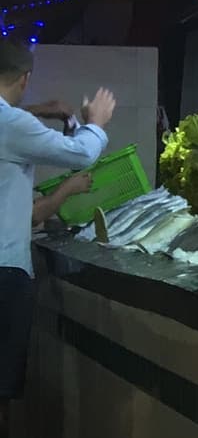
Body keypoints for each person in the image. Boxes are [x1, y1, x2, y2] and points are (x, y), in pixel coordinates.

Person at [2, 40, 115, 399]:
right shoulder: (10, 122)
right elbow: (81, 154)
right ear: (25, 78)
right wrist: (95, 123)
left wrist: (38, 111)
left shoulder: (13, 120)